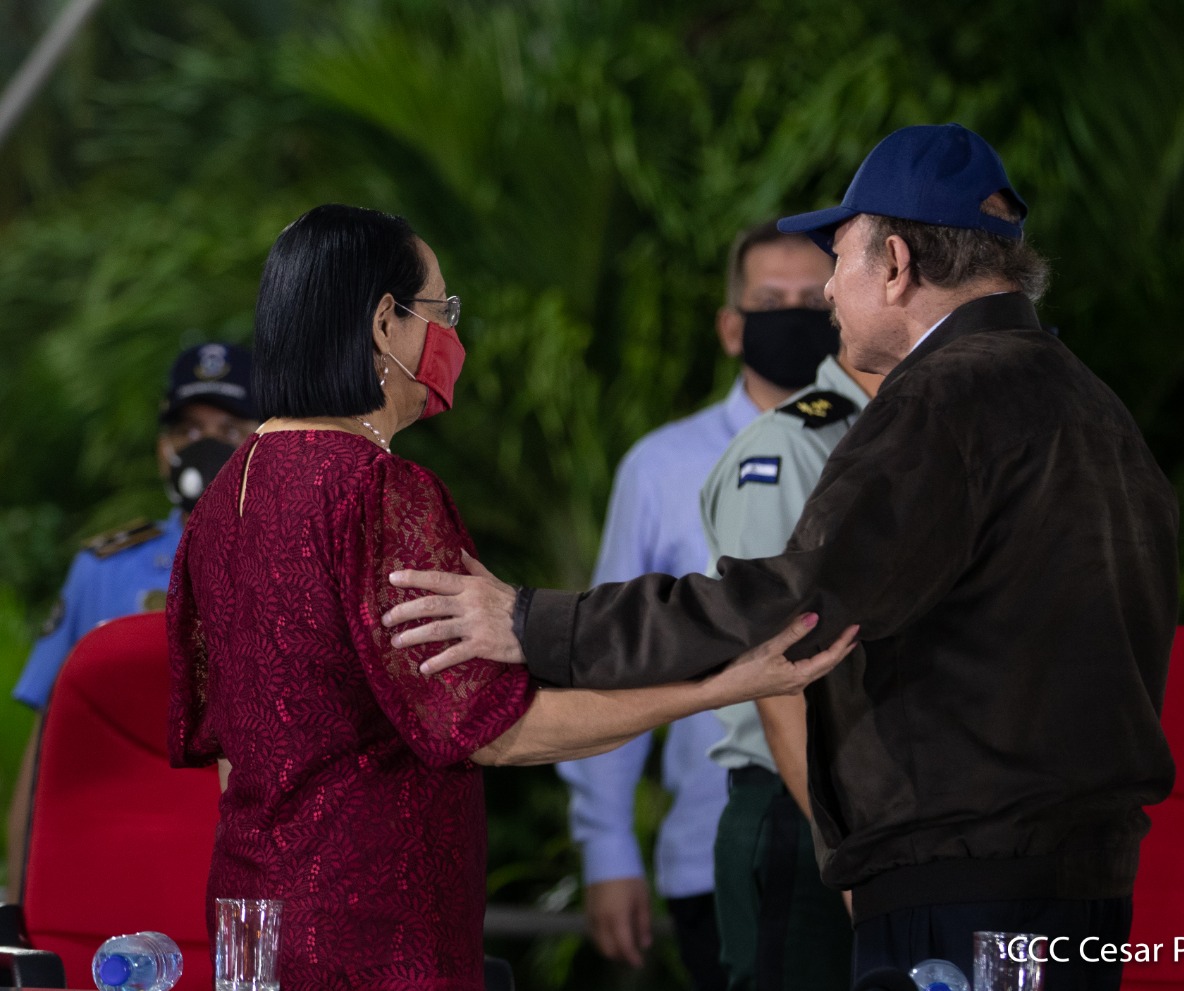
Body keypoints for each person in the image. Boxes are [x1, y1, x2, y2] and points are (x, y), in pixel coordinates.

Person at [380, 124, 1180, 991]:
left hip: (961, 888)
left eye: (838, 259)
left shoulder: (942, 401)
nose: (827, 289)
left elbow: (791, 605)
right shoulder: (1093, 405)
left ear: (897, 263)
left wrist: (532, 622)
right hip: (1087, 887)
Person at [165, 203, 856, 991]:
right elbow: (495, 730)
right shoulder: (378, 490)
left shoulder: (225, 496)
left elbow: (228, 751)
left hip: (253, 914)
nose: (450, 334)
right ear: (386, 323)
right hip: (376, 927)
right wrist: (719, 685)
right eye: (441, 309)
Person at [556, 218, 837, 990]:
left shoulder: (888, 443)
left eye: (813, 301)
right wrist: (608, 847)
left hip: (876, 838)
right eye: (771, 301)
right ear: (731, 326)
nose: (793, 317)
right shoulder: (662, 466)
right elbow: (614, 655)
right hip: (718, 841)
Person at [4, 341, 257, 901]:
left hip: (240, 863)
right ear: (163, 450)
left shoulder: (293, 564)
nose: (206, 446)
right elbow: (48, 746)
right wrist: (20, 902)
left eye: (229, 429)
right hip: (116, 859)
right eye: (188, 431)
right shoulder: (103, 569)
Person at [703, 339, 880, 990]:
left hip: (876, 814)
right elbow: (776, 674)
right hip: (807, 809)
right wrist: (852, 858)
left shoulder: (910, 432)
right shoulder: (790, 447)